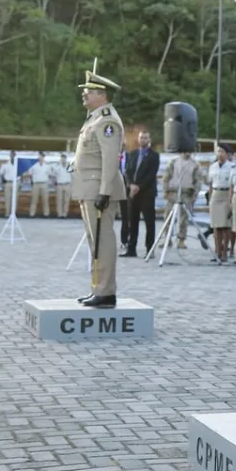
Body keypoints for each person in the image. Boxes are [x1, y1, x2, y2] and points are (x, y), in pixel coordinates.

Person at [72, 64, 126, 308]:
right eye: (84, 90)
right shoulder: (94, 119)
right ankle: (98, 288)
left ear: (102, 95)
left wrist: (105, 191)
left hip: (98, 189)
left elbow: (110, 159)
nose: (84, 93)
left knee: (102, 241)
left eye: (89, 90)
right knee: (95, 242)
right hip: (90, 188)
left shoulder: (107, 122)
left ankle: (105, 291)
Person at [122, 130, 160, 258]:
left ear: (149, 139)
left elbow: (151, 175)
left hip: (147, 193)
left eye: (145, 137)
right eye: (141, 138)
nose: (143, 140)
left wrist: (139, 186)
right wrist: (130, 185)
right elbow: (127, 171)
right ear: (138, 139)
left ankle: (150, 249)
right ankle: (131, 248)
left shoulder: (154, 156)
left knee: (149, 222)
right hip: (132, 193)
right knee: (132, 221)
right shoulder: (132, 154)